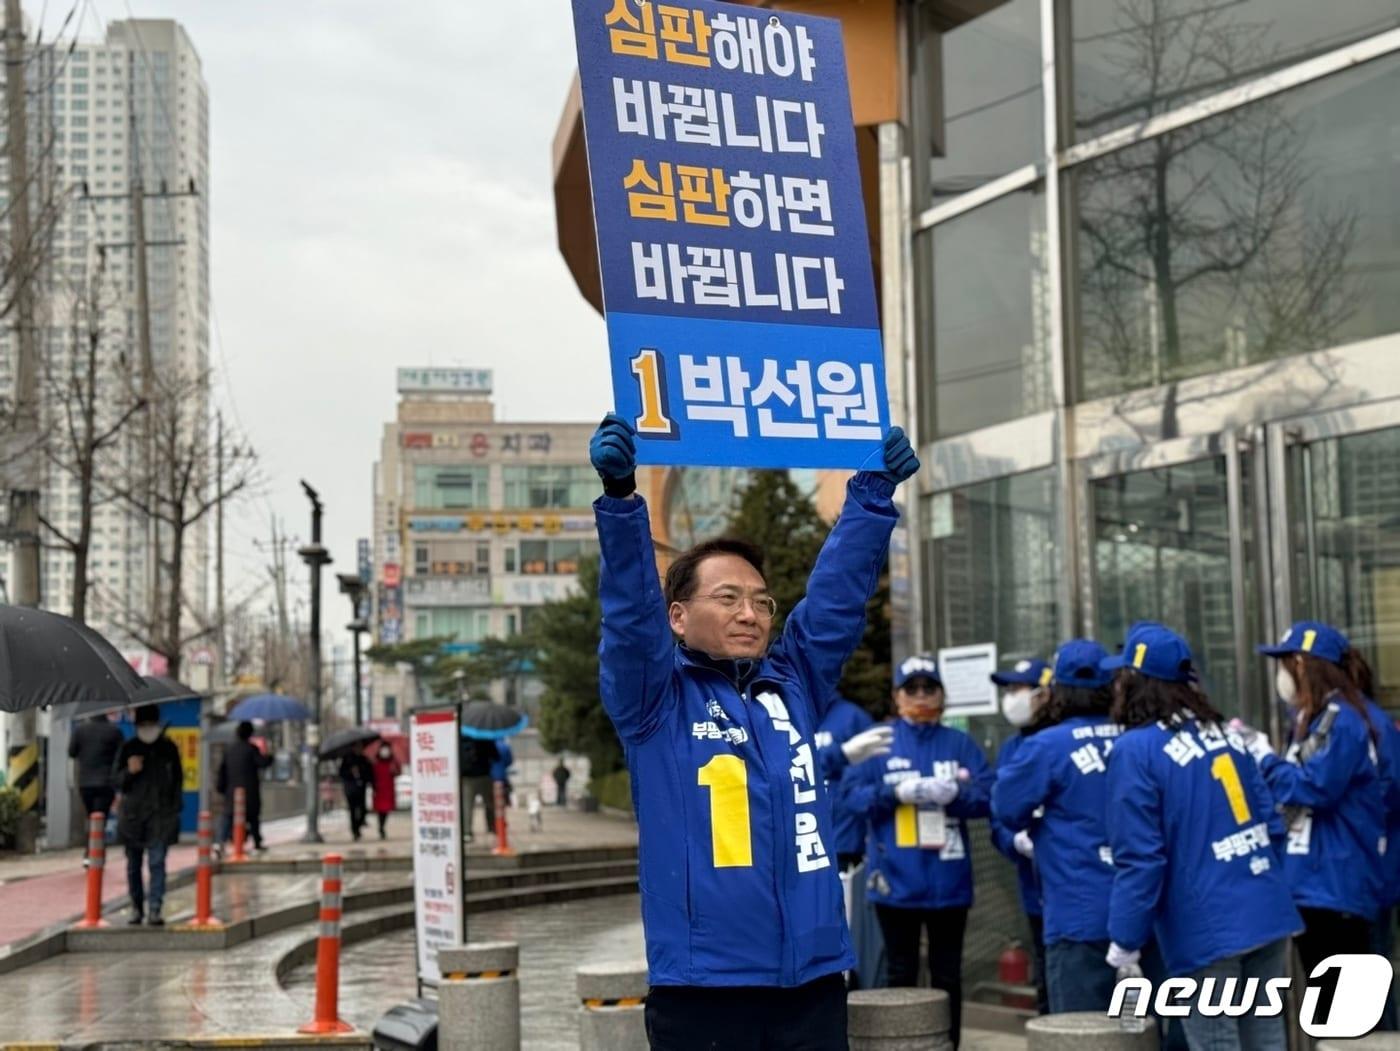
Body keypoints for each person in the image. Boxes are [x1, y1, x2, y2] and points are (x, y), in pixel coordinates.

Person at [590, 412, 917, 1051]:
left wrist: (871, 498)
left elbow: (834, 604)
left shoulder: (791, 683)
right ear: (678, 617)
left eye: (762, 601)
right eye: (729, 598)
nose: (750, 613)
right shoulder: (654, 700)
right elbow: (631, 617)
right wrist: (623, 502)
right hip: (707, 992)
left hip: (815, 980)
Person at [1102, 624, 1302, 1051]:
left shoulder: (1135, 750)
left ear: (1132, 681)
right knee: (1266, 1039)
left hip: (1205, 924)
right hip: (1265, 908)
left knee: (1215, 1043)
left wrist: (1125, 940)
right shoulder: (1227, 735)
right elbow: (1271, 824)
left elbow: (1141, 859)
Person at [848, 655, 994, 1048]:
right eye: (911, 688)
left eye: (929, 687)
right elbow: (852, 799)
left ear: (943, 694)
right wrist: (894, 793)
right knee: (901, 973)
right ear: (896, 696)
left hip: (949, 880)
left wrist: (957, 793)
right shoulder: (879, 743)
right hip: (896, 879)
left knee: (948, 976)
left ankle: (950, 1044)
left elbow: (987, 795)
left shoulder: (958, 742)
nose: (921, 695)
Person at [1248, 620, 1387, 977]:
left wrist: (1264, 758)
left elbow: (1315, 787)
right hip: (1314, 887)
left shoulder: (1343, 721)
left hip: (1335, 886)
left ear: (1300, 664)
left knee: (1345, 1017)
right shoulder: (1316, 718)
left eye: (1284, 664)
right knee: (1330, 1010)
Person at [992, 640, 1124, 1014]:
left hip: (1078, 911)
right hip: (1143, 908)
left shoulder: (1047, 746)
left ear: (1055, 689)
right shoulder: (1133, 736)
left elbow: (1006, 807)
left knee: (1078, 1033)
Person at [986, 657, 1051, 1015]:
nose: (1011, 698)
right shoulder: (1011, 748)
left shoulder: (1059, 738)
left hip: (1072, 882)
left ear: (1044, 693)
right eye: (1007, 690)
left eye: (1019, 689)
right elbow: (997, 815)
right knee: (1044, 970)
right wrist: (1013, 840)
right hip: (1030, 883)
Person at [114, 704, 183, 926]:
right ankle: (136, 907)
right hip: (133, 818)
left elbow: (178, 780)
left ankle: (155, 908)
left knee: (157, 862)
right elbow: (115, 781)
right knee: (133, 866)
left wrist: (173, 809)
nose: (147, 729)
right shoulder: (129, 748)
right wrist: (129, 772)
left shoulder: (168, 748)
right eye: (142, 725)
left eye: (150, 724)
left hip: (161, 816)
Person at [813, 696, 893, 872]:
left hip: (843, 843)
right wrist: (839, 755)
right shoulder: (783, 715)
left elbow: (865, 783)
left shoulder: (853, 718)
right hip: (795, 844)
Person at [69, 713, 124, 862]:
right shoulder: (114, 731)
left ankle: (90, 851)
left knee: (90, 815)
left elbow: (71, 752)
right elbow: (122, 755)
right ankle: (95, 851)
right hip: (106, 781)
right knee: (101, 818)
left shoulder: (80, 731)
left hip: (85, 782)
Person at [217, 721, 271, 851]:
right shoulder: (251, 749)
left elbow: (222, 771)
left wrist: (221, 788)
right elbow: (262, 763)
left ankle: (220, 843)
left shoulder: (229, 750)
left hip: (232, 791)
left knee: (228, 817)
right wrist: (269, 756)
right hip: (250, 791)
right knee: (253, 818)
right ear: (250, 733)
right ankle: (257, 843)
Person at [460, 734, 499, 841]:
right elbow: (495, 756)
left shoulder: (460, 737)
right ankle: (492, 828)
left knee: (467, 806)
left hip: (467, 778)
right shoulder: (485, 736)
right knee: (490, 804)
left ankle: (467, 832)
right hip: (484, 775)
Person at [339, 748, 374, 841]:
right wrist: (351, 772)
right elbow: (342, 773)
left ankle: (359, 824)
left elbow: (369, 772)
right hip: (350, 788)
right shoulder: (347, 760)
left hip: (361, 788)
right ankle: (355, 830)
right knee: (352, 810)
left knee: (362, 809)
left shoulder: (363, 759)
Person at [370, 742, 401, 840]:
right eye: (383, 749)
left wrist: (395, 771)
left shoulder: (393, 762)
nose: (385, 751)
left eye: (387, 749)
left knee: (386, 810)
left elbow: (398, 772)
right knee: (380, 810)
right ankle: (381, 827)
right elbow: (372, 776)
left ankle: (382, 826)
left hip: (388, 789)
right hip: (379, 789)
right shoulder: (376, 763)